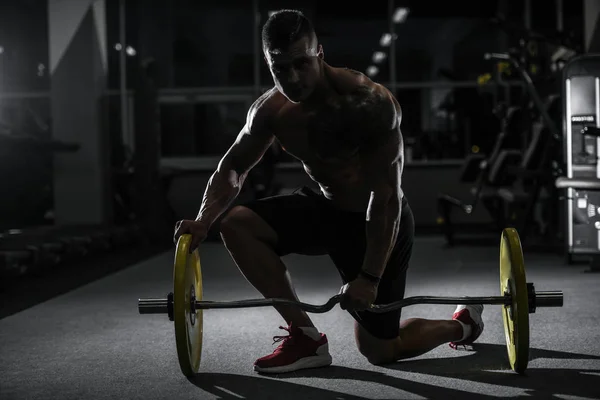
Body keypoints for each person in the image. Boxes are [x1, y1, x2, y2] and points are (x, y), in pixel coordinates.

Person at [173, 9, 484, 374]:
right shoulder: (270, 110)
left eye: (301, 63)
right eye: (280, 67)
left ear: (320, 54)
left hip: (378, 223)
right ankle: (304, 336)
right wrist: (203, 220)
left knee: (379, 350)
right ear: (267, 63)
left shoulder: (369, 103)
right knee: (237, 225)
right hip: (327, 208)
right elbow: (232, 167)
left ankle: (463, 324)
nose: (292, 77)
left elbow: (385, 196)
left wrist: (368, 279)